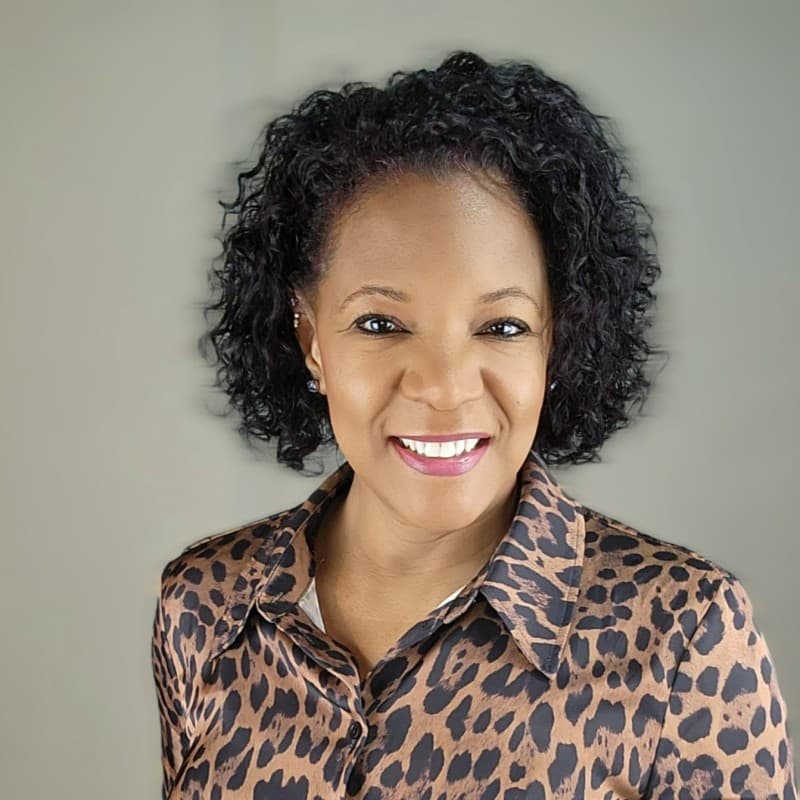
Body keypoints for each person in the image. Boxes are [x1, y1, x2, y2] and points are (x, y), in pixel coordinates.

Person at [151, 50, 797, 799]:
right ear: (310, 339)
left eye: (502, 327)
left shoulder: (682, 635)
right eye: (381, 323)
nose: (444, 387)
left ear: (557, 339)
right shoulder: (206, 605)